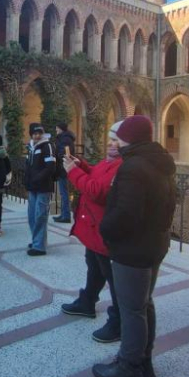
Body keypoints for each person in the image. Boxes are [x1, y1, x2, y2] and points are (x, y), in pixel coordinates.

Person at [92, 115, 177, 377]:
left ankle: (128, 368)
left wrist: (105, 229)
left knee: (131, 310)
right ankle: (144, 362)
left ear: (132, 138)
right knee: (144, 304)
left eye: (119, 137)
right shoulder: (161, 163)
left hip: (133, 249)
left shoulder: (133, 167)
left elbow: (125, 213)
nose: (116, 142)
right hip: (155, 244)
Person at [60, 121, 123, 343]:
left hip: (103, 228)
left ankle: (119, 321)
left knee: (113, 278)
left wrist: (73, 172)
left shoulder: (122, 166)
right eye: (110, 139)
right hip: (93, 228)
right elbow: (97, 174)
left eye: (116, 140)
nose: (110, 144)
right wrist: (82, 165)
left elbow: (98, 192)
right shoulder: (109, 163)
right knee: (94, 268)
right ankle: (87, 302)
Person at [25, 123, 57, 256]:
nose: (37, 135)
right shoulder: (31, 147)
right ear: (31, 134)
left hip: (43, 187)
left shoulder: (47, 146)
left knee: (40, 216)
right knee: (32, 216)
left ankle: (39, 247)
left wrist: (37, 178)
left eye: (39, 133)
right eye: (35, 133)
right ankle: (36, 240)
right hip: (32, 187)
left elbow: (50, 167)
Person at [52, 122, 76, 224]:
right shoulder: (65, 138)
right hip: (63, 168)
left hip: (63, 168)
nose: (56, 131)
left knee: (64, 193)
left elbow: (65, 153)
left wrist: (57, 154)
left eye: (57, 129)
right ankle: (64, 215)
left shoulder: (65, 139)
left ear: (61, 129)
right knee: (63, 193)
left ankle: (66, 216)